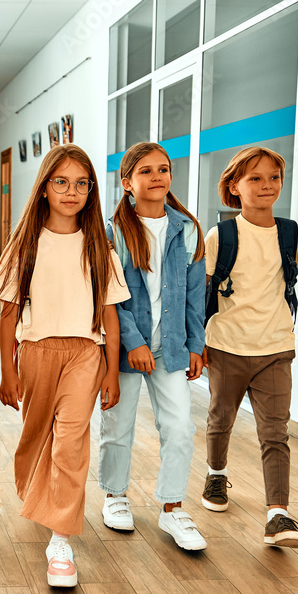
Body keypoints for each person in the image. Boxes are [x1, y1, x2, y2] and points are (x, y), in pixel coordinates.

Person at [0, 144, 129, 587]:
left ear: (91, 191)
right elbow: (9, 313)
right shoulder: (25, 245)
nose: (72, 192)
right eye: (61, 182)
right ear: (45, 188)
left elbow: (109, 313)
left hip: (86, 353)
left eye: (82, 184)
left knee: (70, 442)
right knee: (36, 438)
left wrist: (109, 369)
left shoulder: (99, 246)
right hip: (36, 353)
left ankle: (60, 541)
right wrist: (8, 370)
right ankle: (37, 494)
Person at [201, 147, 298, 548]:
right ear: (234, 187)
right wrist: (196, 342)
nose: (267, 185)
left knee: (275, 432)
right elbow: (200, 289)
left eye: (274, 178)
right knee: (220, 418)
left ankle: (277, 515)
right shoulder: (221, 235)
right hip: (226, 347)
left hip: (276, 348)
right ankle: (215, 474)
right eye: (255, 178)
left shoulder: (291, 232)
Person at [98, 142, 209, 551]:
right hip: (126, 350)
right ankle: (115, 496)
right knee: (117, 425)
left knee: (180, 427)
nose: (158, 176)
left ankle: (173, 508)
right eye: (146, 171)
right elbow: (110, 295)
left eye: (163, 169)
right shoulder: (112, 233)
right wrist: (133, 341)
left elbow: (196, 297)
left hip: (172, 349)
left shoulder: (188, 229)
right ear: (127, 182)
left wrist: (196, 345)